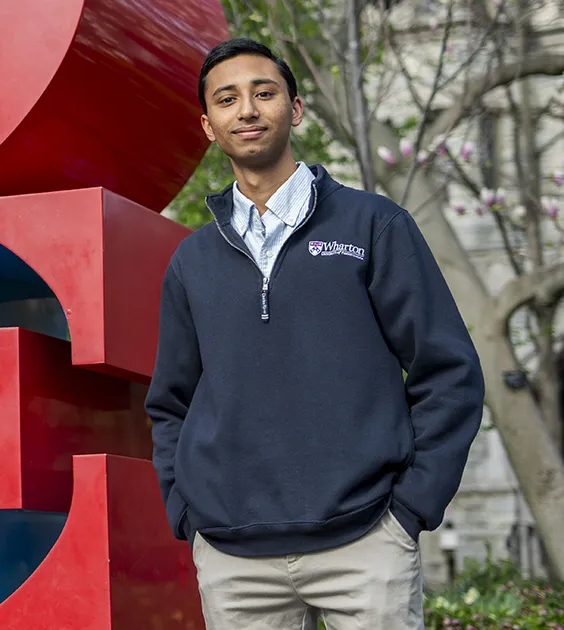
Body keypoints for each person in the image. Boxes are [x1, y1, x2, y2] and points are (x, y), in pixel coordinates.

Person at [145, 37, 485, 630]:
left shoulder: (374, 226)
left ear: (295, 110)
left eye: (263, 93)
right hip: (233, 557)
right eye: (227, 99)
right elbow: (171, 401)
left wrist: (410, 507)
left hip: (366, 542)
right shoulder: (192, 260)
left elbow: (448, 371)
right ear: (209, 125)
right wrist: (186, 509)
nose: (246, 109)